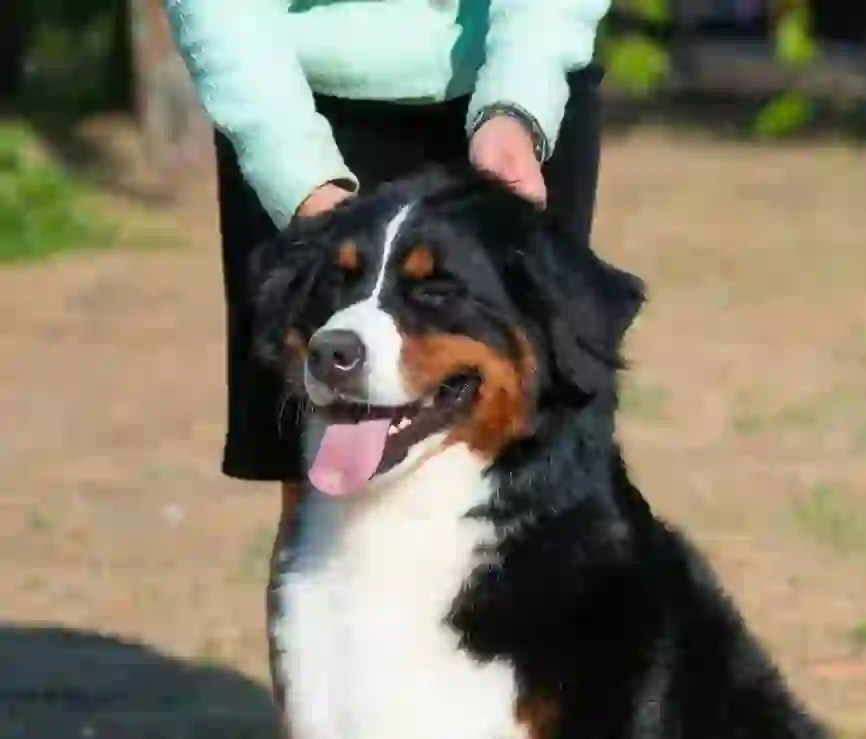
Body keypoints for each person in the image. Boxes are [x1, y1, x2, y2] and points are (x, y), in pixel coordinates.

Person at [163, 0, 611, 715]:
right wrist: (296, 176)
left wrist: (518, 104)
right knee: (322, 485)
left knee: (549, 481)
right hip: (291, 89)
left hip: (519, 76)